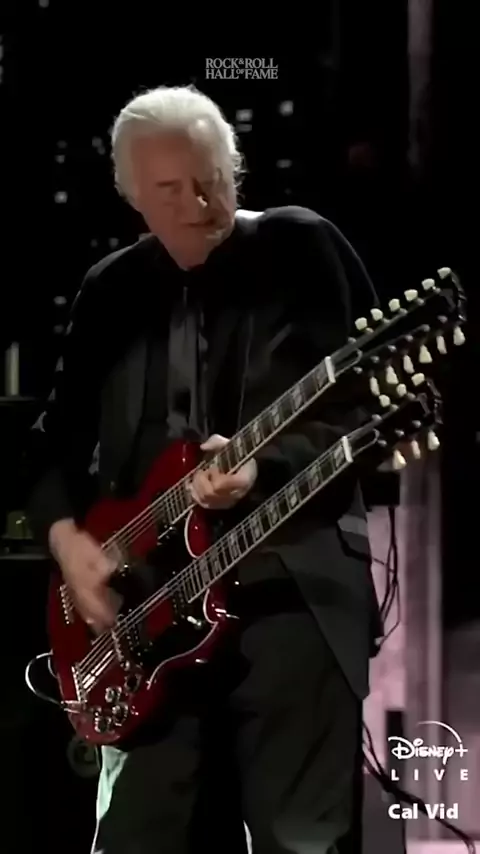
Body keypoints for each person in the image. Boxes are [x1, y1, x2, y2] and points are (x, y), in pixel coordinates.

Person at [27, 85, 383, 854]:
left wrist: (262, 470)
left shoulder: (303, 246)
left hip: (288, 582)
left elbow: (365, 409)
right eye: (169, 188)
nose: (199, 202)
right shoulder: (109, 290)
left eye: (212, 177)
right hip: (145, 611)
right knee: (139, 837)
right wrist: (66, 543)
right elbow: (52, 443)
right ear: (131, 196)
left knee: (303, 839)